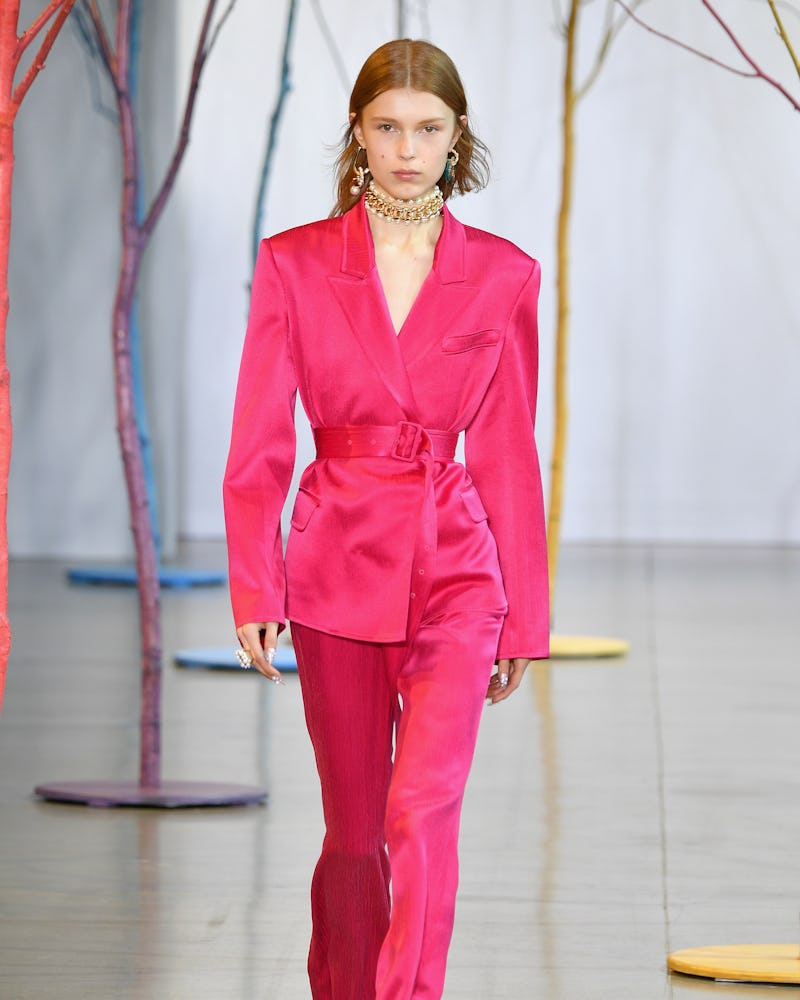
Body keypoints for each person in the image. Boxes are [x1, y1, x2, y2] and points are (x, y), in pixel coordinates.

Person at [223, 38, 549, 1000]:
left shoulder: (504, 275)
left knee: (424, 812)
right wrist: (254, 580)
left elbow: (506, 452)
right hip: (334, 564)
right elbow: (258, 440)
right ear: (359, 137)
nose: (408, 147)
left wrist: (523, 613)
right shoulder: (295, 264)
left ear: (458, 140)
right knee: (357, 835)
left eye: (429, 128)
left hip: (457, 569)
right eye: (388, 126)